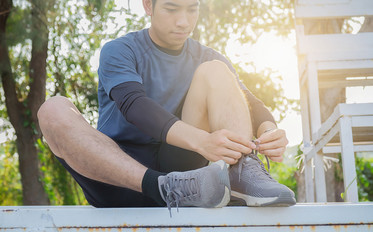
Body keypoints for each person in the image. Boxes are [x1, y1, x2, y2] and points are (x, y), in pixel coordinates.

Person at [37, 0, 295, 212]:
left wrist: (268, 131)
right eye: (172, 9)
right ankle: (159, 185)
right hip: (119, 177)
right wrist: (204, 141)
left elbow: (250, 102)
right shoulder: (120, 50)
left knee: (216, 70)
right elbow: (134, 104)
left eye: (192, 9)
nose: (183, 21)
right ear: (148, 6)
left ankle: (242, 172)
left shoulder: (208, 57)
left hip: (191, 181)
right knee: (53, 109)